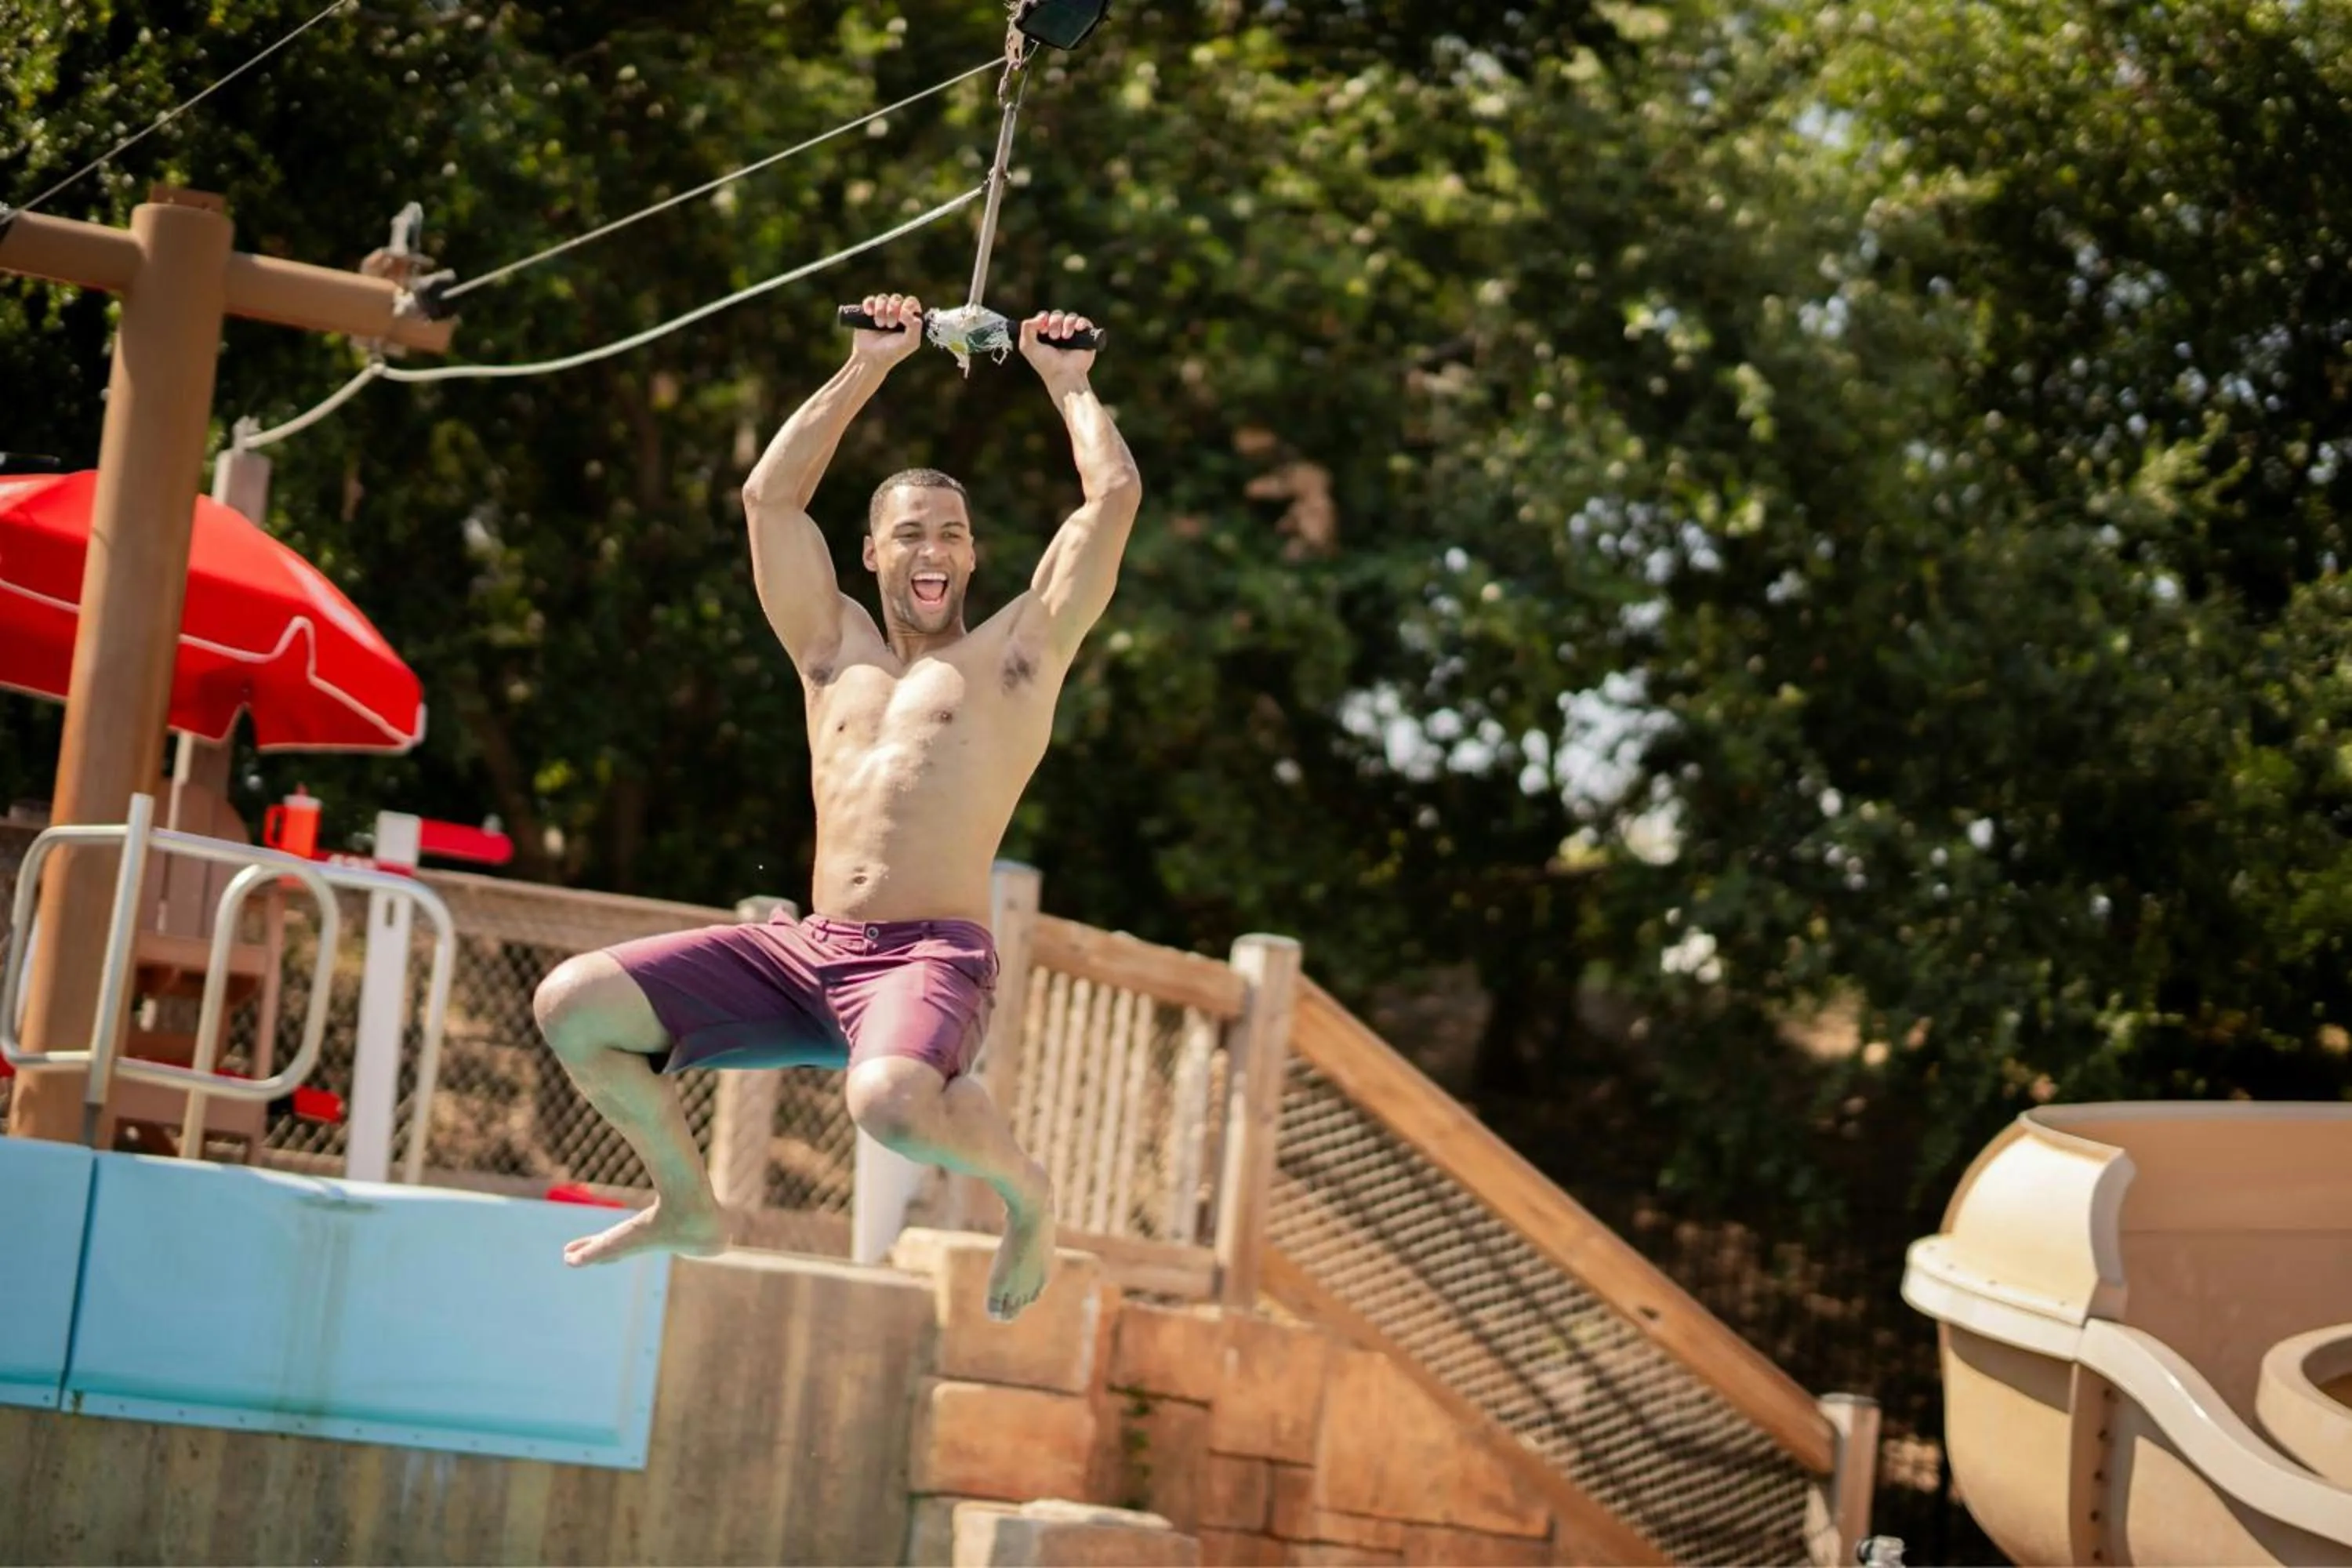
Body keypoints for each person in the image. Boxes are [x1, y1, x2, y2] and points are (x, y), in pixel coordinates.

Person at [532, 292, 1141, 1321]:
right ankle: (687, 1204)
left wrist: (1070, 386)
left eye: (953, 533)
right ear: (874, 555)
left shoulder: (1017, 658)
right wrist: (869, 365)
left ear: (976, 557)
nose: (933, 548)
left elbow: (1110, 501)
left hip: (928, 960)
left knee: (888, 1104)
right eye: (910, 533)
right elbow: (771, 499)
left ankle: (1023, 1193)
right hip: (808, 956)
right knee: (573, 1006)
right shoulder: (830, 651)